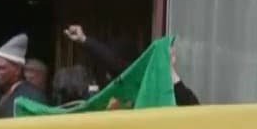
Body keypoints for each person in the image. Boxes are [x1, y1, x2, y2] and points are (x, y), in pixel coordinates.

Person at [63, 24, 201, 106]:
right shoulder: (139, 82)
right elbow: (114, 63)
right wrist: (84, 40)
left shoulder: (171, 89)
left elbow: (193, 110)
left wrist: (169, 70)